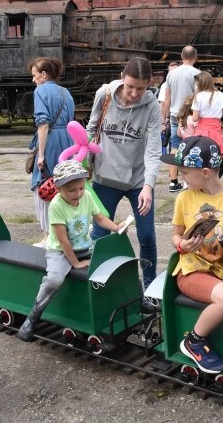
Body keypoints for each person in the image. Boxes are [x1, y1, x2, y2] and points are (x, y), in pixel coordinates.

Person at [163, 136, 223, 373]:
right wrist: (183, 245)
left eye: (184, 173)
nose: (180, 177)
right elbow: (175, 236)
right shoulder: (184, 197)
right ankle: (194, 340)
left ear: (205, 172)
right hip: (192, 270)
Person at [17, 160, 129, 341]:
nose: (78, 193)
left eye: (81, 188)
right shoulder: (56, 206)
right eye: (72, 190)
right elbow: (63, 241)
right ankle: (33, 317)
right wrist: (76, 264)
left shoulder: (86, 197)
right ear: (59, 189)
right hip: (60, 251)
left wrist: (116, 227)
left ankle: (127, 299)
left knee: (112, 265)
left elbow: (99, 218)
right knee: (54, 280)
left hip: (84, 246)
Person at [87, 57, 161, 290]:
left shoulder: (151, 106)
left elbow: (153, 149)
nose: (135, 93)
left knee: (147, 235)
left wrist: (148, 186)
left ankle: (149, 287)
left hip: (137, 180)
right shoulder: (105, 95)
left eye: (141, 88)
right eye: (130, 86)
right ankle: (100, 283)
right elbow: (91, 128)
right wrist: (82, 161)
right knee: (100, 233)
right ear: (122, 78)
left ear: (149, 83)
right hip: (105, 178)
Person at [28, 57, 75, 247]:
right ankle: (68, 232)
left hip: (51, 140)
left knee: (45, 186)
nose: (33, 80)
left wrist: (41, 154)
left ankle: (49, 235)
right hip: (67, 140)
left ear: (44, 74)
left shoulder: (40, 91)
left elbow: (43, 124)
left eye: (34, 75)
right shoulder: (66, 92)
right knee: (67, 184)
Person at [163, 47, 200, 192]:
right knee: (192, 147)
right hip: (190, 115)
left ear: (181, 56)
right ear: (195, 57)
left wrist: (166, 117)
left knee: (174, 147)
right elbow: (198, 97)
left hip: (174, 114)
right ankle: (190, 182)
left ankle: (173, 182)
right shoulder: (196, 73)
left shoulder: (171, 74)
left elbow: (167, 98)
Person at [191, 71, 223, 176]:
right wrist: (217, 112)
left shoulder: (198, 96)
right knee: (217, 156)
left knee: (200, 157)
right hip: (215, 132)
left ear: (201, 83)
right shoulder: (221, 95)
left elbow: (195, 118)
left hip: (201, 132)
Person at [157, 61, 179, 155]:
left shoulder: (166, 85)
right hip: (173, 118)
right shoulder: (165, 85)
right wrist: (164, 121)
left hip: (176, 117)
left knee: (174, 145)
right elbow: (162, 105)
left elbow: (162, 104)